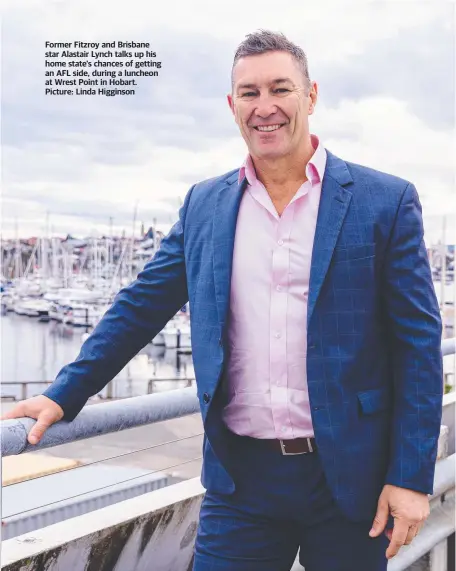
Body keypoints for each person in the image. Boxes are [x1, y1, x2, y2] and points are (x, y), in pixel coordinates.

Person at [2, 30, 443, 571]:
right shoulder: (205, 204)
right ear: (232, 105)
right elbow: (142, 305)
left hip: (351, 478)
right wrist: (63, 395)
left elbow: (418, 346)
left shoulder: (385, 201)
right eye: (249, 93)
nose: (265, 107)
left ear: (311, 96)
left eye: (280, 89)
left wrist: (410, 477)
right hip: (242, 484)